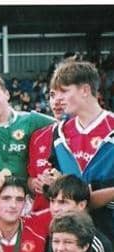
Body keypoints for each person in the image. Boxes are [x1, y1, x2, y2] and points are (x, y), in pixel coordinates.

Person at [48, 60, 114, 242]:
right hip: (71, 234)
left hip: (109, 227)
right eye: (55, 93)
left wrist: (91, 193)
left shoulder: (112, 128)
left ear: (85, 90)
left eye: (64, 91)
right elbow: (56, 176)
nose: (58, 98)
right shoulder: (59, 132)